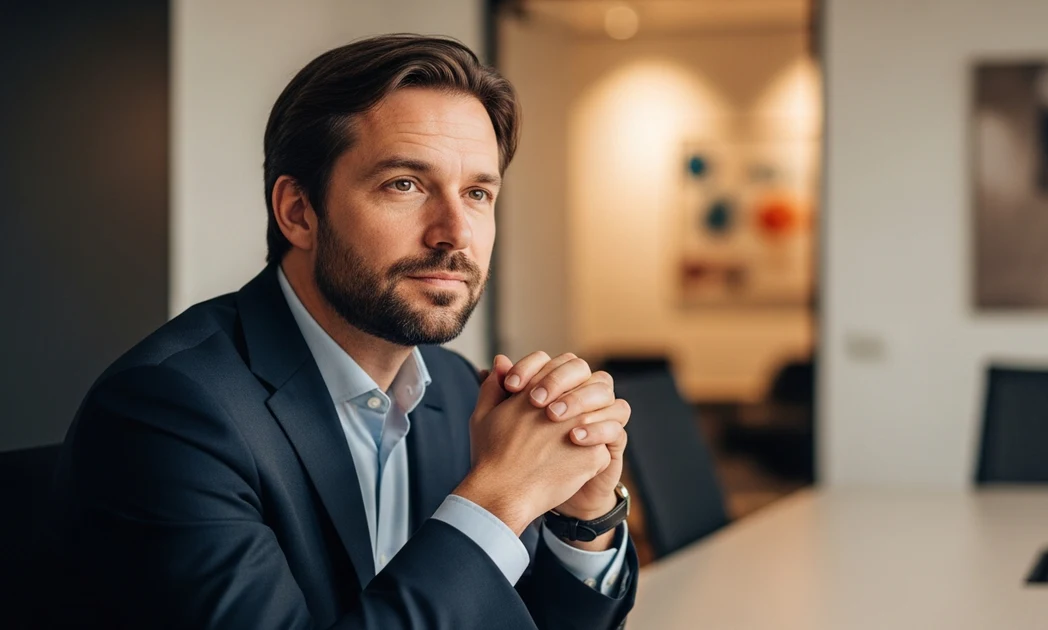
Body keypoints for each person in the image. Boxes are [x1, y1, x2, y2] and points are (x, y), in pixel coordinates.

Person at [42, 34, 637, 629]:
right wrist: (499, 499)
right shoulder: (167, 412)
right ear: (298, 212)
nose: (455, 232)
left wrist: (583, 519)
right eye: (404, 184)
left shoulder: (459, 392)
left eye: (477, 193)